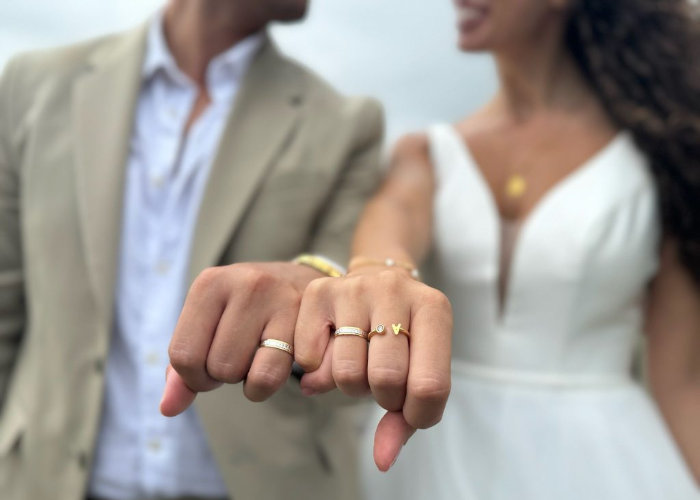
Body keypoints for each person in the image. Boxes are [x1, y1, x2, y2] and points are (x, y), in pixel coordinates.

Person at [294, 0, 700, 499]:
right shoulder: (426, 154)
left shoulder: (665, 163)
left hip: (602, 460)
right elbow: (392, 227)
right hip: (433, 450)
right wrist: (381, 274)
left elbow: (681, 381)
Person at [0, 0, 385, 498]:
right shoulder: (33, 86)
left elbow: (348, 331)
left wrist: (314, 312)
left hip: (266, 482)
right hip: (48, 479)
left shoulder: (345, 123)